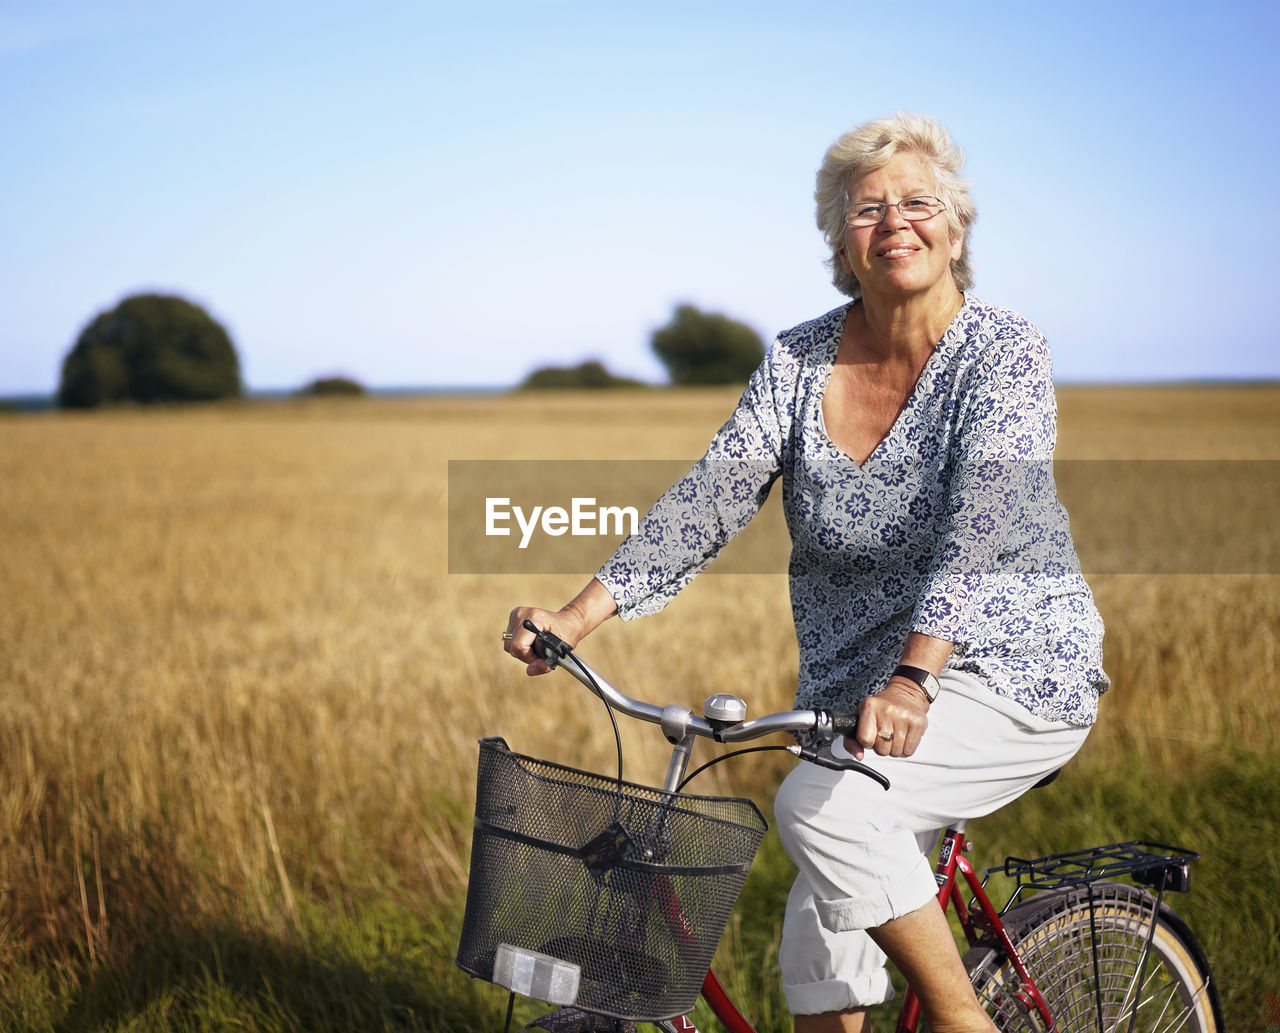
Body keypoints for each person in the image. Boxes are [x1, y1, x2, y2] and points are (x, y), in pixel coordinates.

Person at [503, 112, 1108, 1033]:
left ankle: (962, 1019)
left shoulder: (1004, 352)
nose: (896, 222)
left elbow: (983, 525)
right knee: (817, 946)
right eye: (870, 209)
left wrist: (915, 675)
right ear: (840, 240)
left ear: (957, 227)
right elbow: (710, 497)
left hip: (1009, 666)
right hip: (852, 697)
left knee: (822, 812)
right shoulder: (796, 361)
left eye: (919, 202)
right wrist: (578, 615)